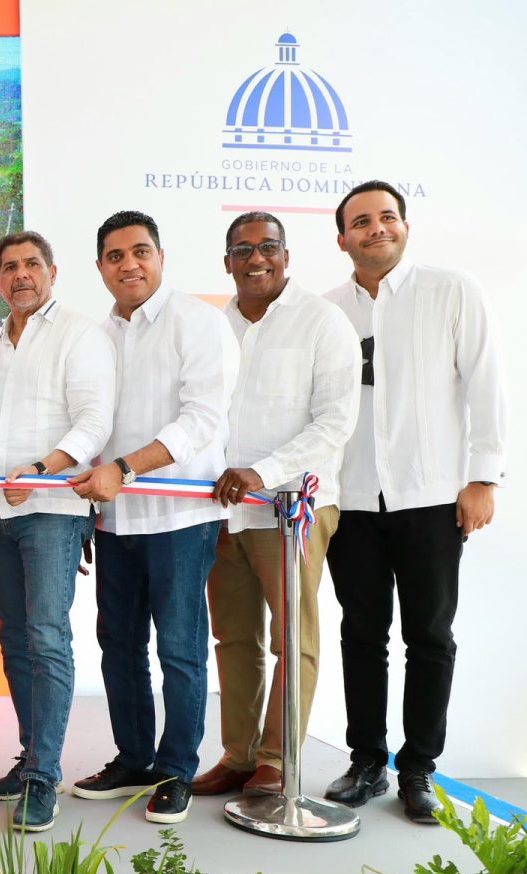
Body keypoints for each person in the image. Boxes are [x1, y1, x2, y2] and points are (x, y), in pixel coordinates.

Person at [320, 181, 506, 823]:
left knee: (430, 636)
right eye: (362, 221)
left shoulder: (451, 291)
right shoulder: (326, 310)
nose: (377, 229)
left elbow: (487, 383)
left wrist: (484, 475)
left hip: (431, 496)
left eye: (388, 217)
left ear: (405, 226)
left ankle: (418, 768)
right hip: (351, 500)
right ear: (342, 237)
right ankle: (367, 759)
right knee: (361, 633)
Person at [69, 210, 237, 825]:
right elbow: (90, 421)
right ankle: (133, 758)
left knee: (181, 650)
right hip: (114, 521)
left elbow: (202, 420)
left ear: (161, 257)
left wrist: (126, 468)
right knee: (118, 645)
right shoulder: (95, 334)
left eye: (140, 251)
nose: (128, 264)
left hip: (179, 517)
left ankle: (176, 770)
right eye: (115, 256)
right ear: (100, 269)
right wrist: (89, 502)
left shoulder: (198, 322)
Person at [192, 212, 360, 800]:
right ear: (227, 261)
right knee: (234, 638)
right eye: (243, 249)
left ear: (287, 256)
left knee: (295, 638)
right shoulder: (214, 327)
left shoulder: (322, 321)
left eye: (267, 248)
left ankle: (276, 759)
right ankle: (238, 756)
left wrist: (261, 472)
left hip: (290, 511)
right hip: (222, 511)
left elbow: (336, 420)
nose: (255, 258)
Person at [0, 230, 116, 832]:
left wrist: (43, 469)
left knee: (48, 635)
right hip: (0, 511)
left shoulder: (81, 333)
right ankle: (30, 754)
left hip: (53, 509)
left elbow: (93, 421)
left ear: (53, 272)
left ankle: (43, 776)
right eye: (9, 267)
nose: (21, 275)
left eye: (32, 264)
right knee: (13, 636)